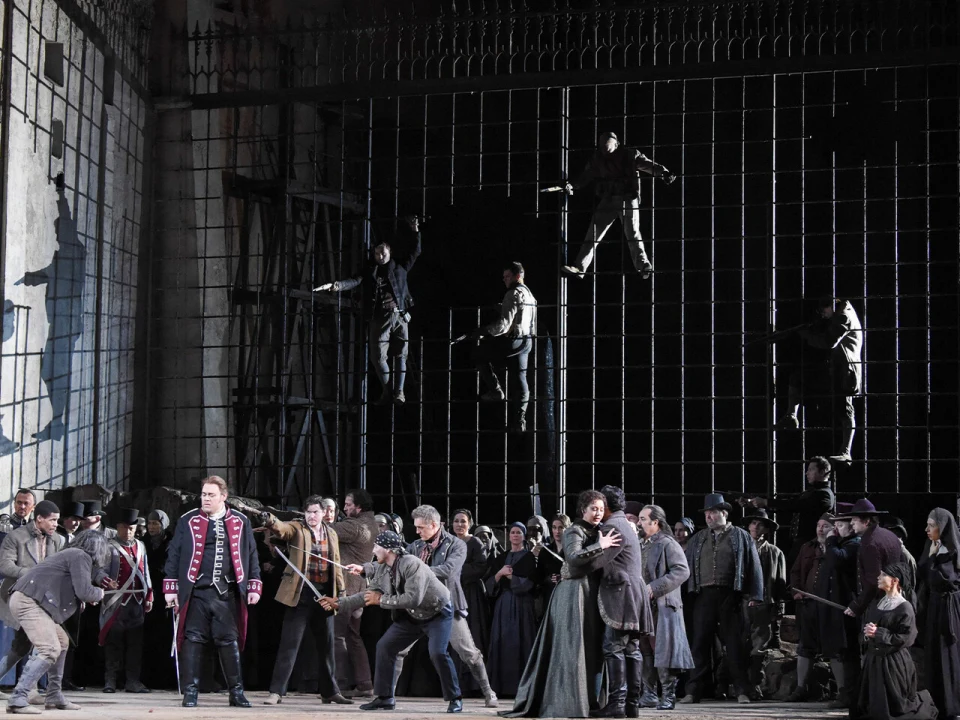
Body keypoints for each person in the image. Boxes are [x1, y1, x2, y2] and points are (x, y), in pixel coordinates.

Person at [503, 490, 621, 718]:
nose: (597, 513)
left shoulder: (599, 532)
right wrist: (601, 545)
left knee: (591, 649)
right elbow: (575, 558)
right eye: (593, 509)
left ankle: (592, 702)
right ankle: (570, 703)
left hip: (591, 594)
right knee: (573, 649)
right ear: (583, 510)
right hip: (573, 596)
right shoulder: (574, 531)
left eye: (600, 509)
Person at [325, 531, 463, 713]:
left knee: (437, 652)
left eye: (376, 546)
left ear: (389, 549)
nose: (373, 550)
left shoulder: (412, 564)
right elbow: (367, 596)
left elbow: (413, 598)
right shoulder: (383, 568)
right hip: (412, 616)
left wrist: (381, 600)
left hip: (436, 613)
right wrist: (339, 603)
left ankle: (455, 698)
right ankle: (385, 697)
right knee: (385, 646)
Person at [163, 476, 262, 708]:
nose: (205, 499)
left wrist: (254, 584)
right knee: (193, 640)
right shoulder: (188, 520)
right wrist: (170, 588)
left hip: (226, 593)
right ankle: (190, 693)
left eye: (211, 495)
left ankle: (236, 693)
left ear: (223, 497)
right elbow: (174, 554)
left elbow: (251, 554)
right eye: (204, 494)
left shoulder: (240, 521)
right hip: (196, 591)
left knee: (229, 641)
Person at [395, 505, 498, 708]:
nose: (417, 531)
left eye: (421, 527)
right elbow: (399, 566)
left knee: (468, 652)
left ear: (434, 525)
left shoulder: (456, 545)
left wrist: (417, 569)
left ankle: (488, 692)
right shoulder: (415, 546)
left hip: (446, 606)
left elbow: (449, 570)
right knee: (397, 649)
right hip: (420, 606)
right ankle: (387, 696)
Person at [315, 216, 420, 406]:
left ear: (389, 252)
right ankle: (389, 391)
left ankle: (399, 393)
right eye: (377, 252)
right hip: (379, 317)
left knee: (400, 355)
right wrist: (337, 285)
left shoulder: (400, 268)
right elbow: (354, 280)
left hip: (399, 315)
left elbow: (415, 251)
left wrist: (414, 231)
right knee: (378, 357)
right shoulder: (369, 271)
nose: (379, 255)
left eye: (382, 252)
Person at [5, 530, 110, 714]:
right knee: (49, 648)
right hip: (28, 601)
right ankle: (17, 698)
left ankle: (54, 695)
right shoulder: (80, 555)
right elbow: (85, 592)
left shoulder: (73, 555)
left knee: (62, 642)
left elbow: (76, 588)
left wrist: (88, 592)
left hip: (29, 600)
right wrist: (99, 593)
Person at [260, 496, 350, 705]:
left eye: (316, 512)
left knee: (327, 646)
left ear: (324, 513)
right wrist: (270, 520)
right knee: (290, 644)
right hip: (300, 594)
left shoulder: (332, 533)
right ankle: (277, 692)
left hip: (324, 595)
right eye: (308, 512)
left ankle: (330, 692)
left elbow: (336, 564)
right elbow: (282, 529)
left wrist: (341, 593)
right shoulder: (298, 529)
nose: (312, 516)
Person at [680, 493, 763, 705]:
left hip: (730, 595)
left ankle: (742, 690)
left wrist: (756, 594)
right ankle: (694, 690)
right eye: (707, 513)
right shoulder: (698, 538)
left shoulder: (740, 536)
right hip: (703, 596)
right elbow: (686, 568)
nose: (709, 517)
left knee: (734, 644)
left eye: (713, 512)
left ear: (724, 513)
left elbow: (754, 565)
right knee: (699, 643)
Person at [560, 132, 676, 280]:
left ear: (616, 144)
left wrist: (664, 172)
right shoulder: (599, 158)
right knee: (594, 233)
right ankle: (579, 267)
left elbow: (647, 165)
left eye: (607, 146)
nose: (605, 150)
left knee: (632, 232)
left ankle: (644, 265)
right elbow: (586, 175)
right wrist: (573, 185)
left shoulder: (629, 155)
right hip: (609, 198)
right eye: (602, 147)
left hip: (627, 197)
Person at [592, 485, 654, 718]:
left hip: (621, 594)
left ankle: (618, 704)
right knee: (631, 648)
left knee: (614, 647)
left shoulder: (613, 526)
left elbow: (599, 560)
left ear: (606, 505)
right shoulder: (624, 524)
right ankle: (631, 704)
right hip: (632, 592)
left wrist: (573, 564)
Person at [776, 296, 863, 462]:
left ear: (831, 305)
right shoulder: (841, 313)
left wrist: (806, 334)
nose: (822, 315)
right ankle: (791, 416)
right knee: (798, 377)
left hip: (845, 372)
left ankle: (846, 452)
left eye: (823, 311)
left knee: (845, 410)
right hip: (835, 369)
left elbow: (829, 342)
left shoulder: (843, 315)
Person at [857, 563, 938, 720]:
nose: (878, 577)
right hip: (874, 661)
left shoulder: (904, 607)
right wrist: (867, 633)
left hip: (893, 663)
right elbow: (868, 628)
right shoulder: (877, 602)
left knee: (895, 710)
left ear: (894, 580)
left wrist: (879, 633)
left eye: (883, 575)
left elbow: (907, 638)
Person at [0, 500, 65, 690]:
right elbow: (5, 566)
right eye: (52, 520)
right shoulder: (16, 536)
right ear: (39, 519)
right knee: (36, 644)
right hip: (20, 596)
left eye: (57, 521)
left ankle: (36, 690)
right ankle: (28, 691)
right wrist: (32, 572)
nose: (55, 524)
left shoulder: (58, 540)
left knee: (27, 645)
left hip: (45, 600)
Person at [637, 505, 693, 712]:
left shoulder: (667, 543)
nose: (639, 522)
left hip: (663, 606)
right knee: (645, 649)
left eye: (643, 519)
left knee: (663, 650)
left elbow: (681, 570)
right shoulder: (641, 543)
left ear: (655, 522)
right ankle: (649, 693)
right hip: (643, 606)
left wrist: (654, 587)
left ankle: (668, 695)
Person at [473, 262, 537, 432]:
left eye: (507, 276)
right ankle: (520, 418)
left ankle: (495, 390)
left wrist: (484, 330)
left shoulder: (512, 293)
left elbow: (503, 324)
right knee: (520, 379)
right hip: (527, 340)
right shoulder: (530, 295)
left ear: (517, 276)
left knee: (479, 354)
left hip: (513, 340)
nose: (504, 280)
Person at [741, 456, 835, 567]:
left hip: (810, 542)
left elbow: (794, 505)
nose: (807, 473)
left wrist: (766, 502)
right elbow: (789, 506)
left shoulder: (824, 494)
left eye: (811, 469)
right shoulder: (811, 492)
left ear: (823, 471)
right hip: (800, 542)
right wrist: (756, 504)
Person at [329, 488, 379, 698]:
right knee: (352, 635)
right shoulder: (372, 523)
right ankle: (365, 683)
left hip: (347, 589)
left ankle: (339, 684)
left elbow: (326, 531)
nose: (345, 507)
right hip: (360, 589)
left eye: (349, 504)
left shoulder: (354, 525)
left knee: (338, 636)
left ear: (359, 506)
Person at [98, 508, 152, 693]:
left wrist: (149, 594)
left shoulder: (142, 546)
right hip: (116, 601)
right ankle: (110, 681)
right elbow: (98, 570)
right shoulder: (108, 546)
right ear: (118, 527)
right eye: (124, 527)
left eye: (131, 528)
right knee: (114, 643)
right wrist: (105, 581)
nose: (127, 531)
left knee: (135, 645)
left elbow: (145, 572)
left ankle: (133, 681)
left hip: (136, 601)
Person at [485, 522, 539, 698]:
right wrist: (500, 574)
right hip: (504, 606)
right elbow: (490, 585)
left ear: (524, 536)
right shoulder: (501, 557)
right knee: (503, 643)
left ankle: (521, 688)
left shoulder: (529, 558)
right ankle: (500, 688)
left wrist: (512, 577)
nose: (515, 535)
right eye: (512, 532)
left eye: (518, 533)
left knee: (521, 643)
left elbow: (531, 583)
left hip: (522, 606)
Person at [917, 508, 960, 719]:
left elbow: (945, 580)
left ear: (942, 528)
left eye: (931, 525)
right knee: (933, 653)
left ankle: (951, 704)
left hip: (948, 608)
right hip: (933, 605)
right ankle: (935, 703)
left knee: (948, 653)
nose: (927, 529)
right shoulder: (931, 546)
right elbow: (922, 572)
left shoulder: (952, 550)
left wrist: (933, 560)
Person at [742, 509, 787, 697]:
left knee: (759, 646)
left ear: (767, 529)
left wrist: (779, 609)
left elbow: (780, 583)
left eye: (760, 524)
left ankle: (754, 685)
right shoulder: (742, 549)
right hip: (742, 602)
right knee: (738, 643)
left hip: (764, 605)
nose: (755, 526)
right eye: (753, 523)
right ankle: (733, 685)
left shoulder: (775, 553)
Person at [450, 509, 492, 671]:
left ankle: (473, 680)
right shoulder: (448, 542)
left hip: (470, 596)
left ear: (469, 523)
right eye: (456, 521)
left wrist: (455, 570)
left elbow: (481, 567)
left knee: (470, 633)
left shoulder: (475, 543)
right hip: (451, 593)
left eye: (463, 521)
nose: (459, 524)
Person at [142, 510, 174, 690]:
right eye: (150, 523)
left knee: (165, 635)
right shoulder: (143, 543)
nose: (152, 527)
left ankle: (164, 678)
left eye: (156, 523)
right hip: (147, 593)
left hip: (164, 595)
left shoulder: (172, 542)